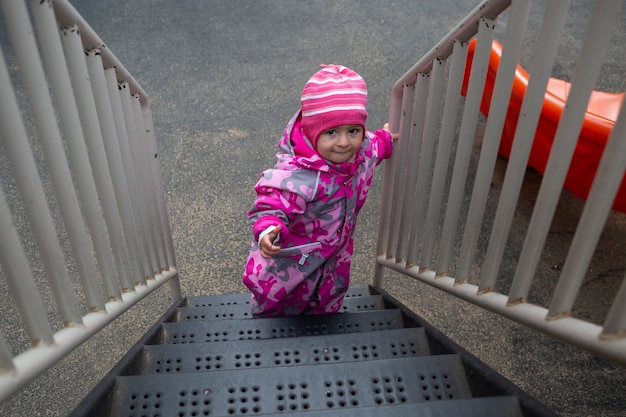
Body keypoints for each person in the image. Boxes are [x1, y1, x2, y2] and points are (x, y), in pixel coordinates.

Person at [242, 64, 398, 317]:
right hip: (294, 262)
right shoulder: (299, 174)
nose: (344, 142)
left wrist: (387, 139)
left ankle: (325, 321)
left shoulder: (362, 151)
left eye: (353, 130)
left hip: (335, 257)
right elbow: (272, 200)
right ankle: (269, 330)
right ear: (313, 132)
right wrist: (268, 228)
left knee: (328, 299)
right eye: (331, 132)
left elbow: (374, 146)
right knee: (281, 304)